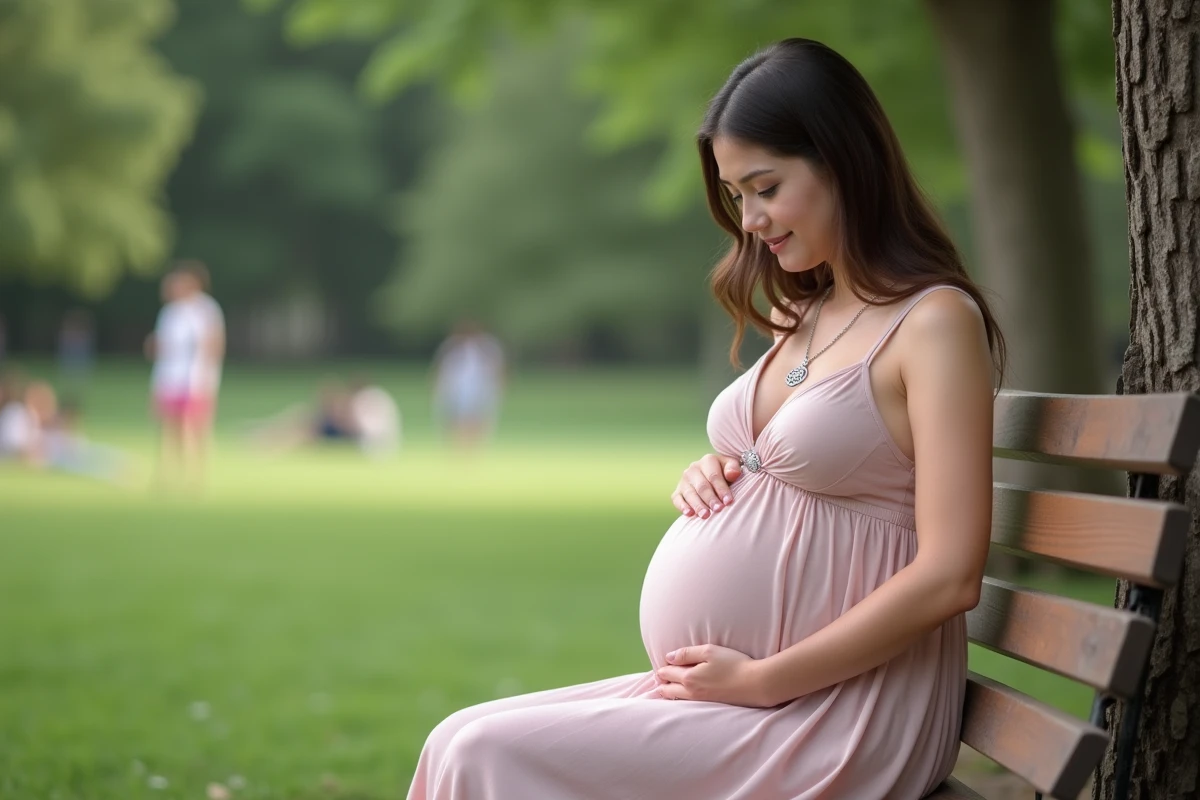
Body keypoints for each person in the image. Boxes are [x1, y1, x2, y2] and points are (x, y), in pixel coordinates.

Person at [407, 38, 1007, 800]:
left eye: (765, 188)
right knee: (453, 738)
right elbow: (808, 461)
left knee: (483, 754)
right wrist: (724, 472)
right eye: (735, 195)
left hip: (835, 712)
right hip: (744, 700)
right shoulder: (808, 309)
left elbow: (951, 575)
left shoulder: (933, 323)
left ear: (843, 160)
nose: (749, 220)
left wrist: (765, 679)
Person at [145, 260, 225, 488]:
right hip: (169, 378)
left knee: (193, 428)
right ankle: (166, 475)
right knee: (168, 429)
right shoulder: (169, 313)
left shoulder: (205, 310)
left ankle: (194, 477)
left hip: (195, 379)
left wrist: (207, 379)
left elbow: (213, 346)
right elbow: (163, 349)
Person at [431, 319, 505, 450]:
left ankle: (473, 446)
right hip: (455, 387)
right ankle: (457, 446)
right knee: (454, 418)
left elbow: (497, 367)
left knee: (477, 418)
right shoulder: (451, 346)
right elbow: (440, 367)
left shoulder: (487, 347)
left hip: (480, 387)